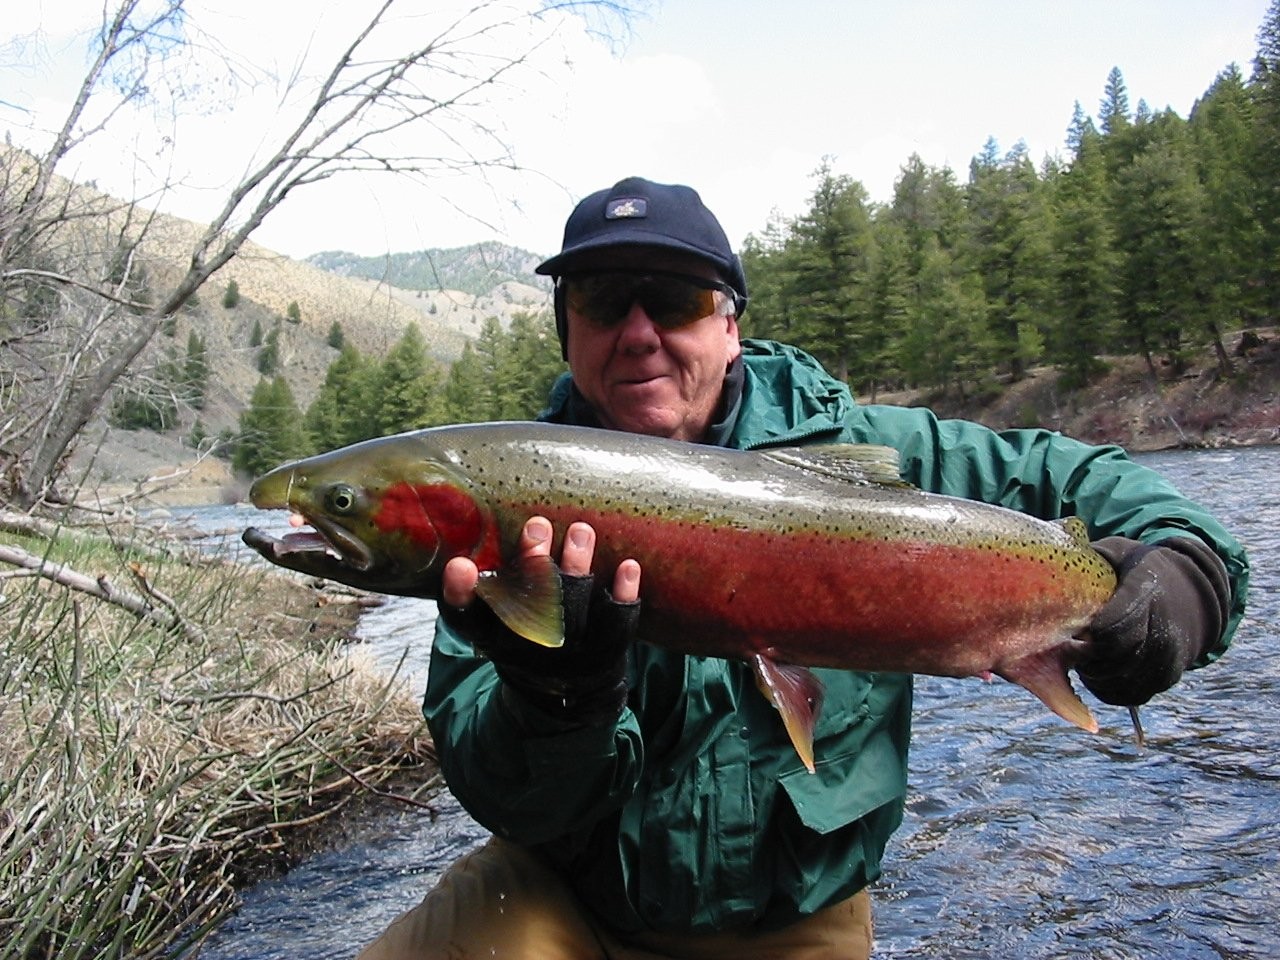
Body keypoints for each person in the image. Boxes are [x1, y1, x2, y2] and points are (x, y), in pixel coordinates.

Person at [358, 176, 1249, 959]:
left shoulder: (881, 451)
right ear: (567, 331)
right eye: (599, 300)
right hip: (566, 904)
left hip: (798, 921)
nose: (636, 333)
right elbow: (505, 796)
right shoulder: (517, 513)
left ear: (729, 322)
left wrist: (1182, 585)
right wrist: (558, 700)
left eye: (671, 301)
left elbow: (1111, 490)